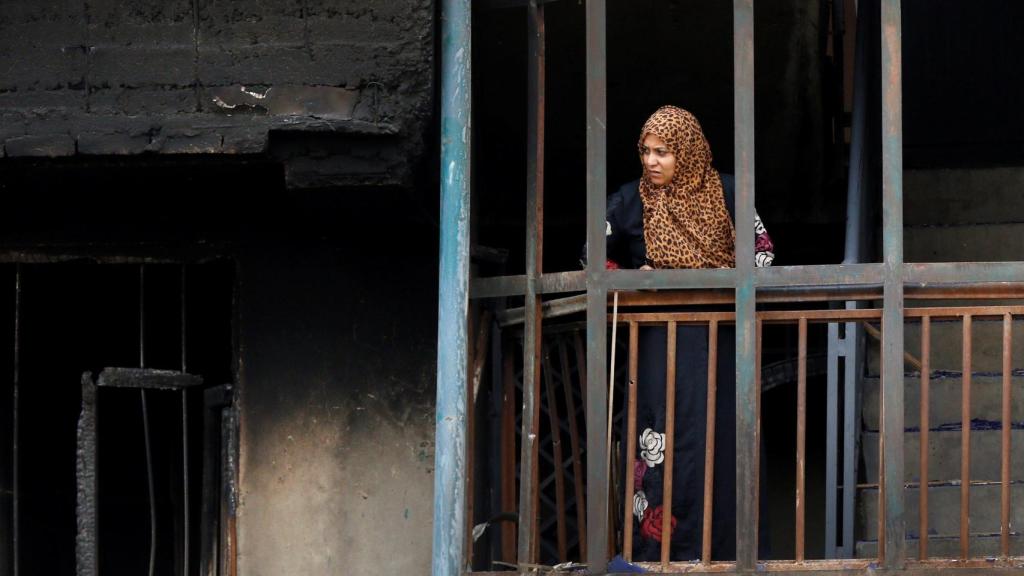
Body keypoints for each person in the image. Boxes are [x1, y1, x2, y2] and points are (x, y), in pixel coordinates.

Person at [604, 106, 773, 562]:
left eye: (663, 152)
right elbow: (591, 254)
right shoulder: (629, 201)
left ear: (689, 153)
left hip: (722, 340)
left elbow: (763, 253)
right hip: (660, 344)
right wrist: (630, 277)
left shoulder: (729, 192)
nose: (651, 161)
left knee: (724, 437)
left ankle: (730, 556)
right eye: (646, 151)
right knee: (664, 432)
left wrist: (723, 282)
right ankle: (664, 556)